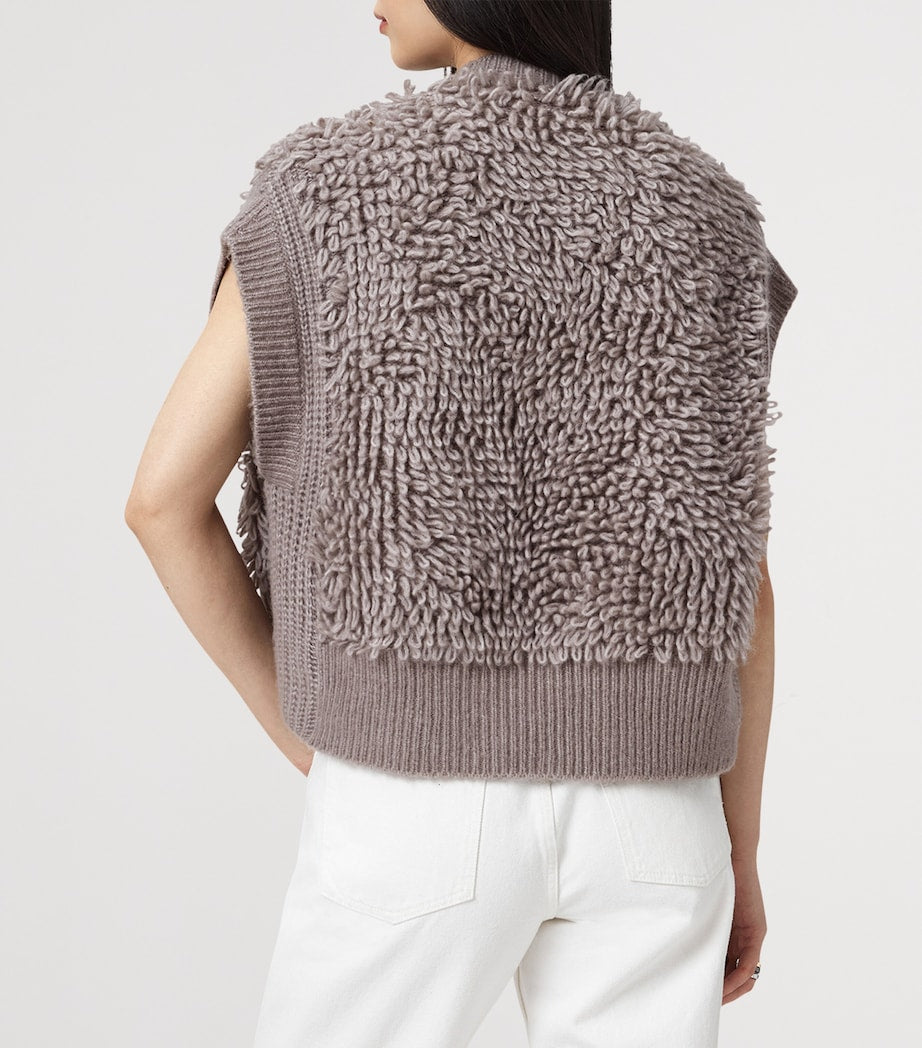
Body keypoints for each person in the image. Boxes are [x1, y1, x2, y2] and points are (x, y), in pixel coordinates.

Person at [125, 2, 798, 1045]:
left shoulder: (325, 190)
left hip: (413, 801)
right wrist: (737, 847)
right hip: (657, 814)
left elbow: (162, 501)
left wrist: (317, 739)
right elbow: (730, 568)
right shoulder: (703, 209)